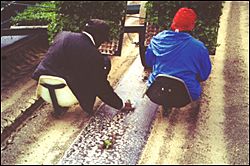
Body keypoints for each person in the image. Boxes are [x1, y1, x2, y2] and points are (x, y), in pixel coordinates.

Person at [32, 19, 134, 116]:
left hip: (44, 88)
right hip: (67, 94)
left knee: (71, 68)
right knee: (104, 63)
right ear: (97, 36)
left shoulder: (63, 35)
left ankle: (59, 107)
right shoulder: (94, 55)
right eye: (102, 40)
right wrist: (120, 105)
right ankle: (84, 101)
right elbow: (102, 88)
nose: (101, 43)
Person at [145, 7, 212, 113]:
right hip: (186, 95)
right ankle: (194, 114)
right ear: (192, 26)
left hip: (155, 90)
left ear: (173, 22)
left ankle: (166, 103)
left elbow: (148, 62)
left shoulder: (157, 39)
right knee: (197, 83)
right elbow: (204, 75)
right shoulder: (199, 47)